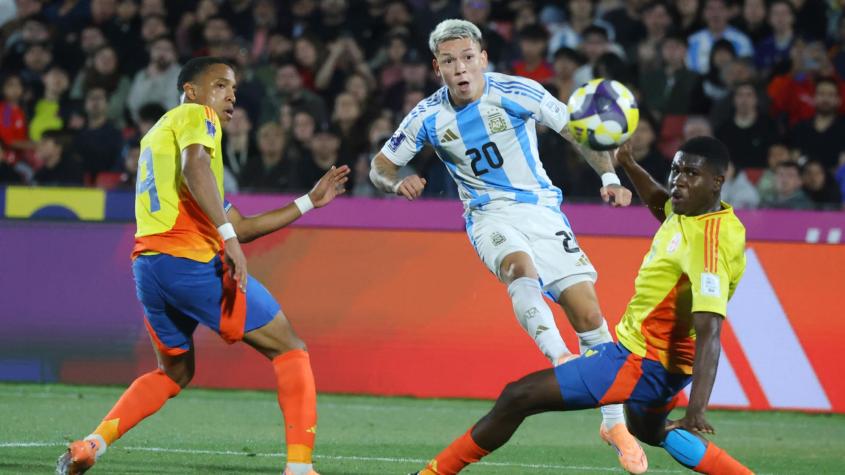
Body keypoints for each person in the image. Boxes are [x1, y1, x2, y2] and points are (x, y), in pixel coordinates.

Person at [368, 19, 646, 473]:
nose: (460, 68)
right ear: (437, 68)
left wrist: (610, 177)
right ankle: (559, 356)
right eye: (449, 61)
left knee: (589, 314)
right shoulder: (426, 116)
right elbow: (379, 167)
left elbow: (577, 131)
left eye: (467, 57)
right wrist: (397, 182)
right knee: (518, 268)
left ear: (482, 58)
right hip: (487, 215)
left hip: (541, 210)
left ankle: (614, 425)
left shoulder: (518, 91)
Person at [56, 56, 351, 475]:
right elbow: (198, 170)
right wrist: (227, 240)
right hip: (188, 261)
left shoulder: (160, 136)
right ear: (191, 91)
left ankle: (92, 444)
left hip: (150, 268)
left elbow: (241, 226)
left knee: (173, 372)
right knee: (290, 348)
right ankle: (299, 469)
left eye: (234, 88)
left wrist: (308, 202)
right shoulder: (198, 117)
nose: (231, 96)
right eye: (220, 85)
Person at [412, 136, 753, 475]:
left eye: (691, 174)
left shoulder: (708, 246)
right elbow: (661, 204)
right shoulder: (693, 212)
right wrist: (630, 165)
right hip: (661, 361)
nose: (679, 180)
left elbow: (710, 330)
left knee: (518, 396)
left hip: (643, 361)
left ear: (717, 182)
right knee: (648, 430)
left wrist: (697, 410)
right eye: (676, 170)